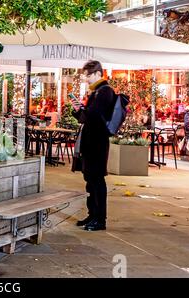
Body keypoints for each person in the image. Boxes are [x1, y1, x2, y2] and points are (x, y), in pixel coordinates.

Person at [72, 60, 116, 231]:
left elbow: (95, 117)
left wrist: (84, 109)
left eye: (88, 76)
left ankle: (100, 219)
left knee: (97, 180)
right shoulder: (96, 92)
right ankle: (92, 214)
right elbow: (85, 118)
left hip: (98, 143)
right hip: (90, 142)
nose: (86, 79)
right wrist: (78, 110)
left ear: (98, 74)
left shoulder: (105, 92)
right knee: (90, 180)